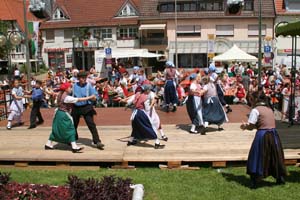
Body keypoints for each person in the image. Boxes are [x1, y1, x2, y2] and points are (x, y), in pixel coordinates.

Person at [240, 90, 287, 189]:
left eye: (251, 99)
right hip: (273, 135)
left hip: (262, 135)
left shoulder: (255, 110)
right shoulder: (269, 109)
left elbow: (251, 126)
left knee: (257, 156)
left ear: (254, 99)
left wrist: (244, 126)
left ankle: (254, 180)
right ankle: (280, 177)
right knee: (275, 156)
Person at [45, 82, 96, 153]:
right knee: (70, 129)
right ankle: (74, 146)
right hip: (64, 114)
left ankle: (48, 143)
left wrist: (50, 92)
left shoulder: (60, 94)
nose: (71, 89)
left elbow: (54, 93)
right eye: (69, 87)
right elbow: (78, 99)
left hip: (58, 113)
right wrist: (90, 97)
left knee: (56, 129)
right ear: (66, 89)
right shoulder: (67, 97)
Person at [71, 71, 105, 150]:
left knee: (91, 124)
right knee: (73, 125)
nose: (83, 80)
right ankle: (73, 139)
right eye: (81, 78)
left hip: (86, 107)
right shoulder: (74, 86)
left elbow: (95, 96)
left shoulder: (88, 86)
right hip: (76, 107)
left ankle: (97, 141)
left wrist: (94, 98)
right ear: (78, 79)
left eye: (84, 78)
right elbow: (69, 95)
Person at [126, 84, 165, 149]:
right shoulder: (145, 97)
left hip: (135, 114)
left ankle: (130, 141)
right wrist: (153, 103)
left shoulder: (138, 94)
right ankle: (157, 143)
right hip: (141, 113)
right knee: (150, 127)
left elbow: (131, 102)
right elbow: (147, 109)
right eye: (149, 90)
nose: (150, 91)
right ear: (147, 90)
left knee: (135, 128)